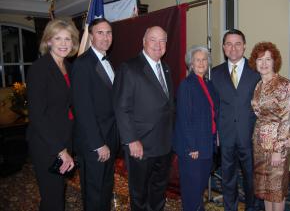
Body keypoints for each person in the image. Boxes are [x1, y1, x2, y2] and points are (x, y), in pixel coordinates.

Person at [113, 26, 174, 211]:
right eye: (153, 39)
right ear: (144, 41)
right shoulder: (129, 68)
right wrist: (131, 140)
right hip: (141, 145)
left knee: (158, 190)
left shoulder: (165, 67)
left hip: (164, 145)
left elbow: (168, 106)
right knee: (139, 194)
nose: (158, 44)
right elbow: (121, 108)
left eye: (162, 40)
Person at [26, 19, 79, 211]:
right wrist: (60, 150)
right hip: (47, 144)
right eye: (58, 38)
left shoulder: (70, 68)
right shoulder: (39, 69)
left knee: (57, 192)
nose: (64, 43)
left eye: (68, 39)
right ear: (48, 41)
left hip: (65, 138)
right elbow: (37, 116)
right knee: (52, 197)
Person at [71, 18, 118, 211]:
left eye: (108, 33)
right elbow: (83, 110)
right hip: (95, 143)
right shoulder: (83, 64)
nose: (105, 37)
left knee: (105, 188)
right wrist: (99, 144)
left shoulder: (108, 62)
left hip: (110, 137)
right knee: (94, 193)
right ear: (90, 36)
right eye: (100, 32)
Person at [211, 29, 261, 211]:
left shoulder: (256, 71)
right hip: (225, 136)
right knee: (228, 177)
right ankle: (230, 208)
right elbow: (213, 107)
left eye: (238, 43)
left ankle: (252, 208)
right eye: (229, 44)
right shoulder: (214, 73)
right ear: (224, 48)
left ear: (244, 46)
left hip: (250, 136)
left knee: (251, 178)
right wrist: (214, 132)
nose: (233, 48)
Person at [249, 42, 290, 211]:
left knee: (276, 189)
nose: (263, 63)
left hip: (278, 143)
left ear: (274, 61)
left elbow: (286, 118)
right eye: (260, 59)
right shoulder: (258, 85)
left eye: (268, 59)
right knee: (265, 189)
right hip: (261, 143)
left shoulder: (284, 84)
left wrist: (277, 148)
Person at [173, 46, 218, 211]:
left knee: (199, 188)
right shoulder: (187, 85)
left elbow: (212, 113)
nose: (201, 62)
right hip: (193, 148)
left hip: (207, 144)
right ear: (190, 63)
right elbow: (184, 119)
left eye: (204, 59)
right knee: (192, 191)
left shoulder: (207, 84)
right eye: (197, 59)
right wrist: (192, 146)